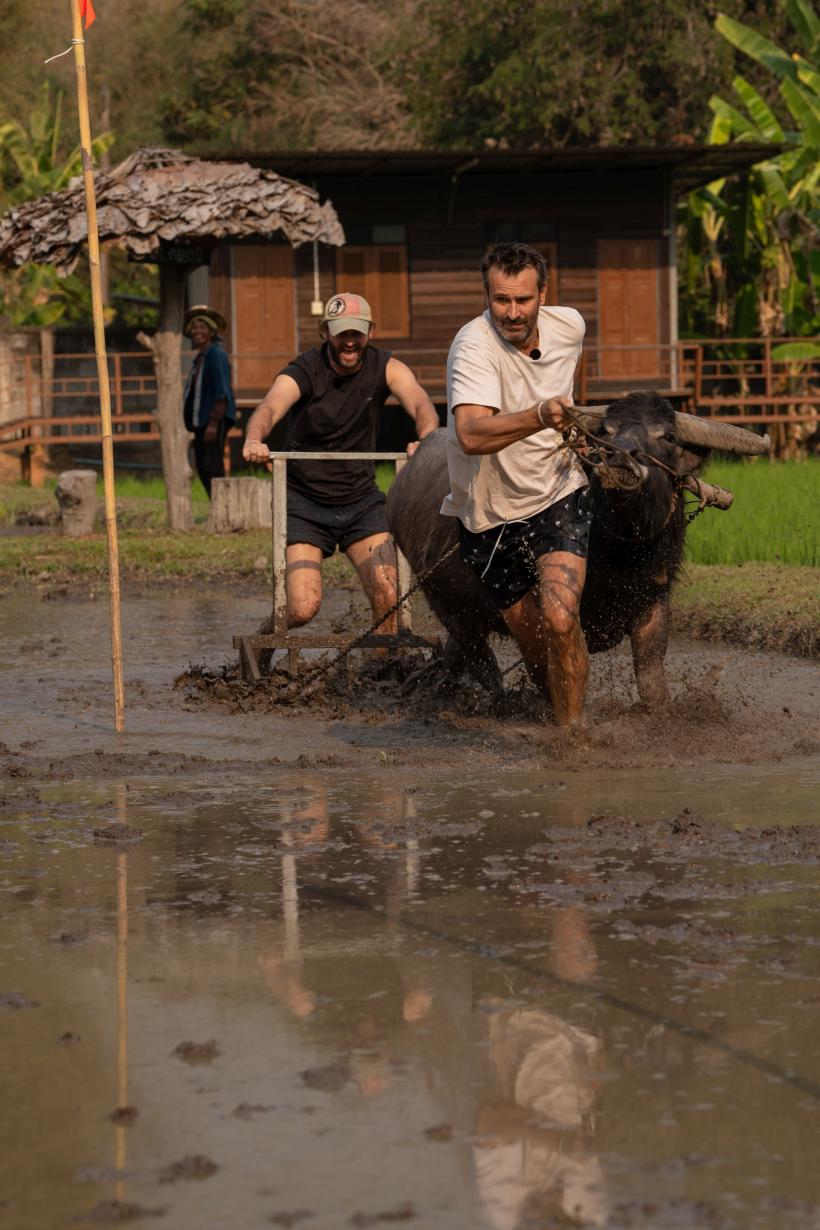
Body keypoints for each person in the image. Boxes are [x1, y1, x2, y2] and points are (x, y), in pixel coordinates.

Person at [441, 242, 590, 728]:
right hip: (489, 514)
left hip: (558, 490)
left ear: (543, 294)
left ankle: (573, 739)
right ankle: (552, 709)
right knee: (534, 644)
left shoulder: (570, 325)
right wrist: (542, 413)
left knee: (561, 619)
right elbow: (470, 434)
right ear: (487, 296)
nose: (512, 312)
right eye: (500, 300)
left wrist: (574, 418)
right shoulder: (473, 347)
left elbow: (572, 371)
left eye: (522, 300)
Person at [243, 292, 439, 632]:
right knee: (303, 608)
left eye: (356, 333)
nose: (349, 342)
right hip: (305, 500)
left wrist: (427, 439)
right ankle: (264, 634)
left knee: (390, 598)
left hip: (360, 499)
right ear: (326, 333)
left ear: (370, 333)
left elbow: (421, 403)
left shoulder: (386, 367)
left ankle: (379, 673)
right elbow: (270, 406)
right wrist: (254, 438)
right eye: (341, 334)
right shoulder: (305, 369)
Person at [182, 304, 237, 497]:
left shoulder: (217, 355)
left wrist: (213, 422)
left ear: (211, 331)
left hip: (214, 420)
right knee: (202, 466)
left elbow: (221, 390)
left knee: (212, 465)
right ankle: (216, 505)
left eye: (202, 327)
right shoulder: (201, 358)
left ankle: (224, 508)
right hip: (201, 422)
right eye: (195, 327)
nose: (198, 331)